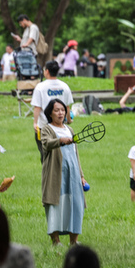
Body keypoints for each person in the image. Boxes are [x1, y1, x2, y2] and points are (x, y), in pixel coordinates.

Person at [40, 100, 85, 246]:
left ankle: (74, 240)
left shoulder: (69, 130)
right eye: (56, 110)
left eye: (62, 110)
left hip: (73, 173)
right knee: (55, 204)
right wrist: (60, 141)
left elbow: (76, 154)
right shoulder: (46, 129)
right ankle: (56, 240)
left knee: (76, 204)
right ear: (50, 113)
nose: (60, 113)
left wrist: (81, 175)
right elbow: (46, 144)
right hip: (55, 173)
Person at [31, 61, 74, 162]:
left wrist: (35, 123)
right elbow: (67, 106)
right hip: (61, 126)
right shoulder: (64, 86)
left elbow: (37, 107)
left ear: (47, 71)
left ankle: (48, 176)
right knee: (63, 154)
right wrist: (68, 120)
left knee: (45, 154)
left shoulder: (40, 87)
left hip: (44, 127)